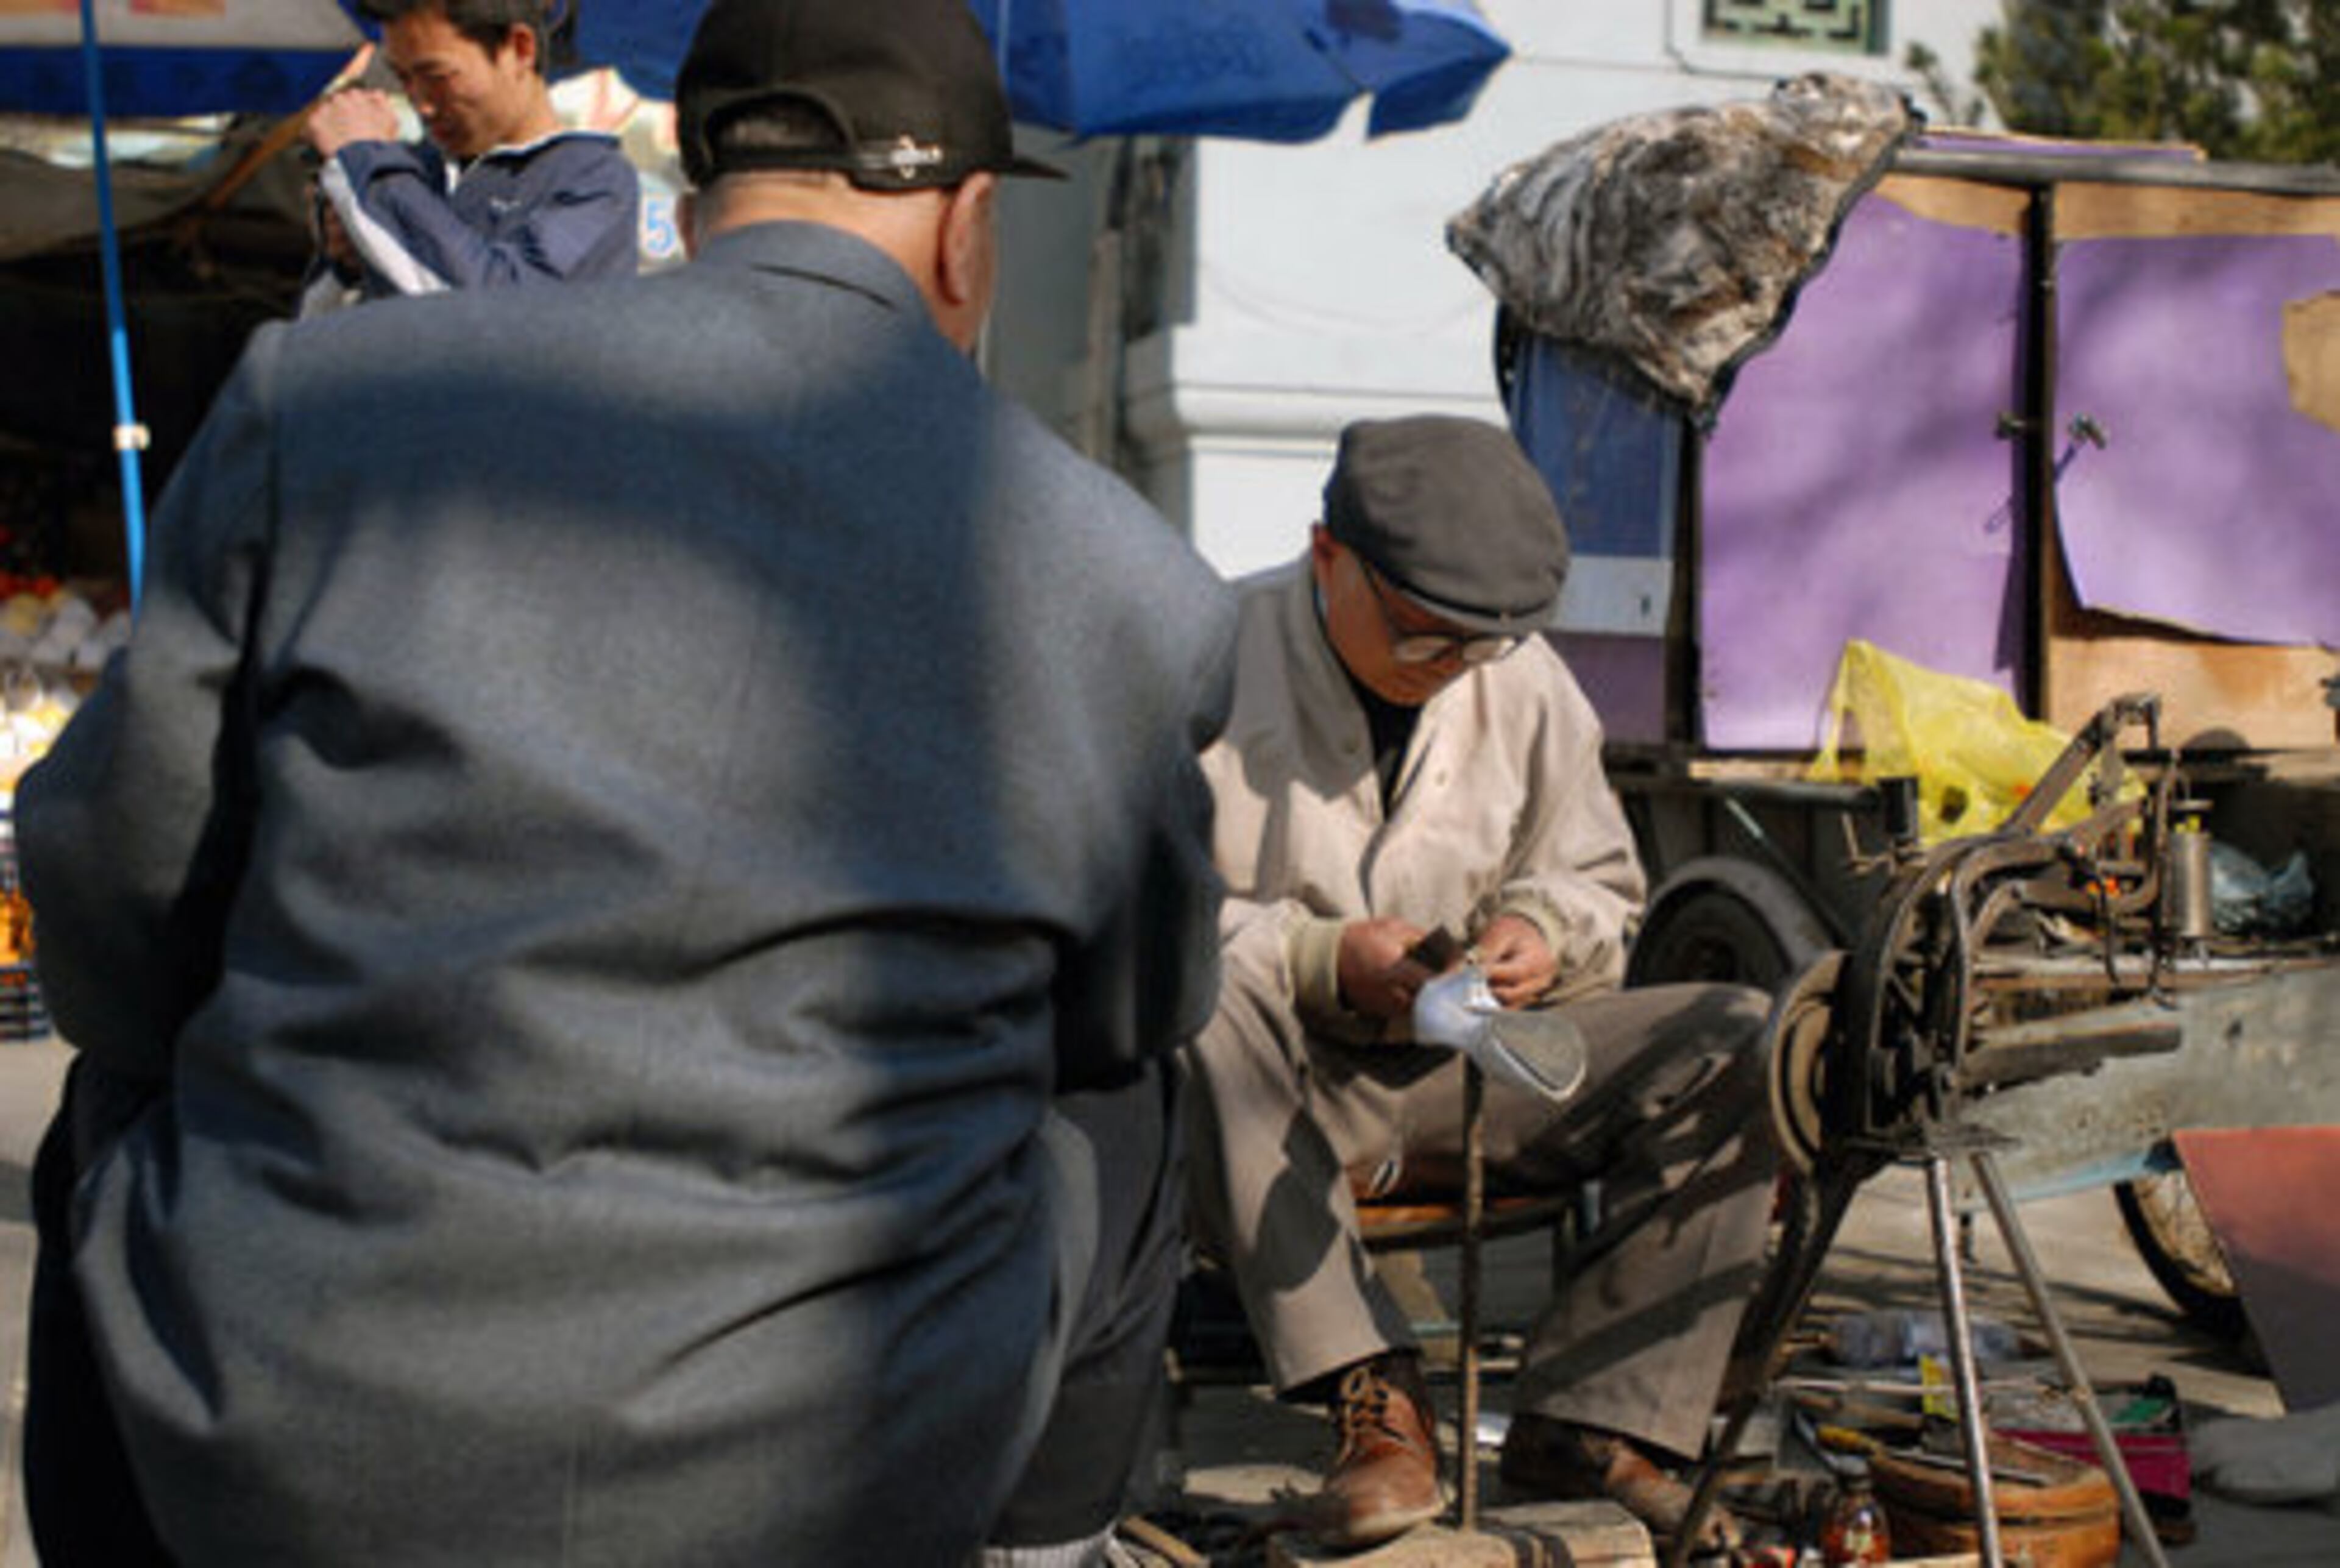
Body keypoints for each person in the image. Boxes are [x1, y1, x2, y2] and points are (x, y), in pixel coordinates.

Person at [16, 0, 1234, 1563]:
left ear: (701, 193)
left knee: (120, 1075)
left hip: (286, 1441)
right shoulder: (1125, 580)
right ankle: (1049, 1550)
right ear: (968, 230)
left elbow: (115, 888)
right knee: (1133, 1084)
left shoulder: (328, 405)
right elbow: (1123, 1009)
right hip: (845, 1464)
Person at [1180, 415, 1778, 1553]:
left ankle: (1592, 1422)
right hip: (1269, 1095)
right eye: (1420, 638)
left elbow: (1601, 880)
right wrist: (1317, 956)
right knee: (1203, 1000)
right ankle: (1380, 1406)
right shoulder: (1203, 654)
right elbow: (1134, 910)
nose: (1449, 667)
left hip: (1467, 1073)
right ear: (1327, 555)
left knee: (1738, 1036)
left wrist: (1542, 928)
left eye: (1477, 646)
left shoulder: (1521, 679)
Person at [299, 0, 639, 313]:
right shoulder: (409, 173)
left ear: (520, 48)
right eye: (403, 78)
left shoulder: (594, 179)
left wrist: (365, 160)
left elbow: (495, 313)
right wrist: (346, 266)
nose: (422, 105)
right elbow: (312, 331)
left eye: (438, 77)